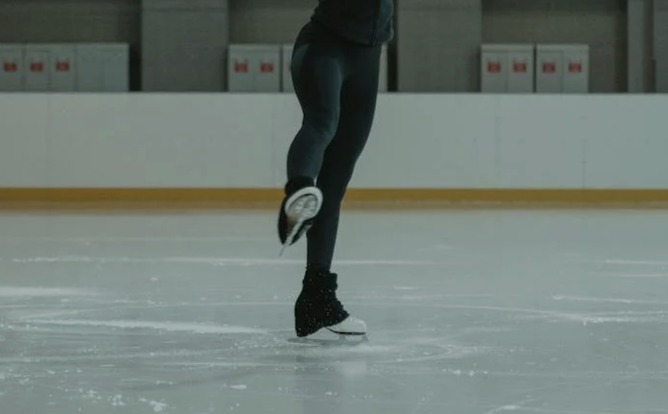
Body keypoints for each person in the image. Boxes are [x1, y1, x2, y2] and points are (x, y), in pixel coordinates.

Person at [277, 0, 394, 338]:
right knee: (322, 122)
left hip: (368, 57)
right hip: (324, 48)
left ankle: (317, 299)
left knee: (337, 178)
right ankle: (298, 194)